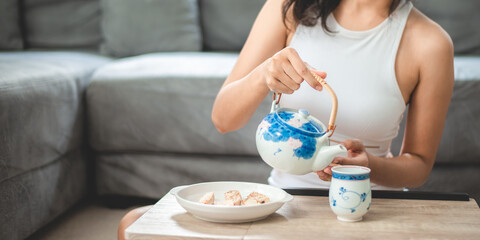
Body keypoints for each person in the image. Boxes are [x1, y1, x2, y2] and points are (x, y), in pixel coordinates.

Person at [117, 0, 453, 238]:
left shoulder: (431, 43)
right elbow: (223, 118)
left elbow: (419, 164)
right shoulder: (289, 9)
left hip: (368, 211)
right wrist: (264, 73)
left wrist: (368, 165)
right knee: (134, 223)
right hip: (283, 207)